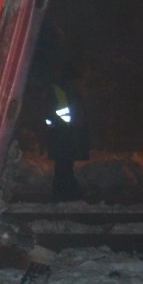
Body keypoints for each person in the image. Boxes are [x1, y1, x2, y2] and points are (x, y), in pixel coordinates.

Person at [43, 64, 89, 200]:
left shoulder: (67, 91)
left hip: (64, 134)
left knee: (64, 166)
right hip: (63, 135)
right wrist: (66, 127)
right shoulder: (62, 92)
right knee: (64, 166)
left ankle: (67, 193)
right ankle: (66, 194)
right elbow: (51, 113)